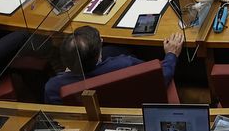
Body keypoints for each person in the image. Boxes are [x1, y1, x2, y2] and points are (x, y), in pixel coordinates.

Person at [44, 25, 182, 103]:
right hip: (138, 107)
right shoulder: (125, 64)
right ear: (99, 53)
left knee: (112, 50)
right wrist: (171, 54)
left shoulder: (53, 87)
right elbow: (160, 77)